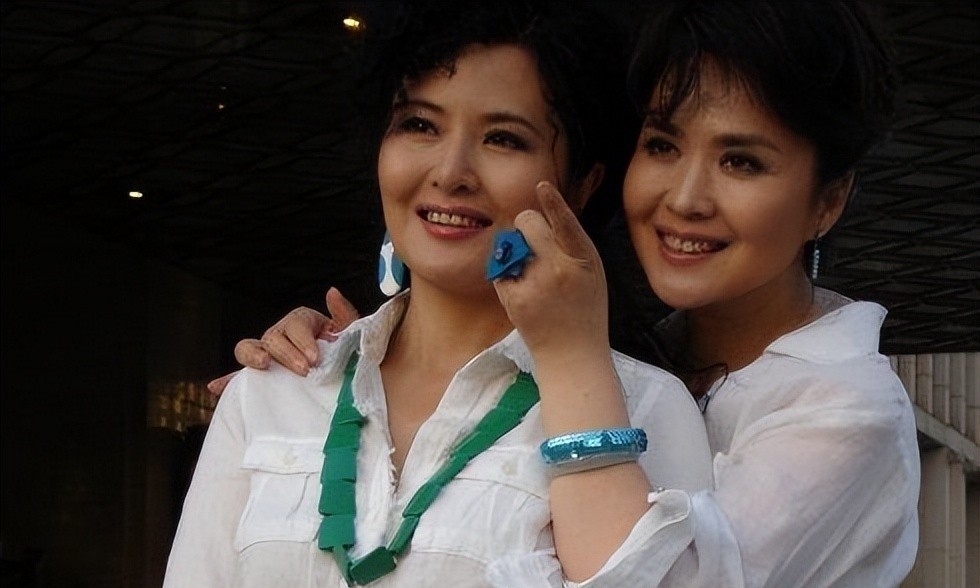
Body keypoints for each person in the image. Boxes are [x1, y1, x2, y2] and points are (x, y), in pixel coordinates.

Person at [232, 1, 921, 586]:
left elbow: (655, 578)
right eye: (662, 146)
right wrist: (342, 370)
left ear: (829, 199)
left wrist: (571, 356)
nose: (685, 198)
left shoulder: (843, 411)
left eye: (741, 161)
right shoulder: (642, 352)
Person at [165, 2, 713, 587]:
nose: (451, 172)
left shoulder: (646, 407)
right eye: (420, 125)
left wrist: (573, 364)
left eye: (503, 138)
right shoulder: (271, 392)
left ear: (583, 184)